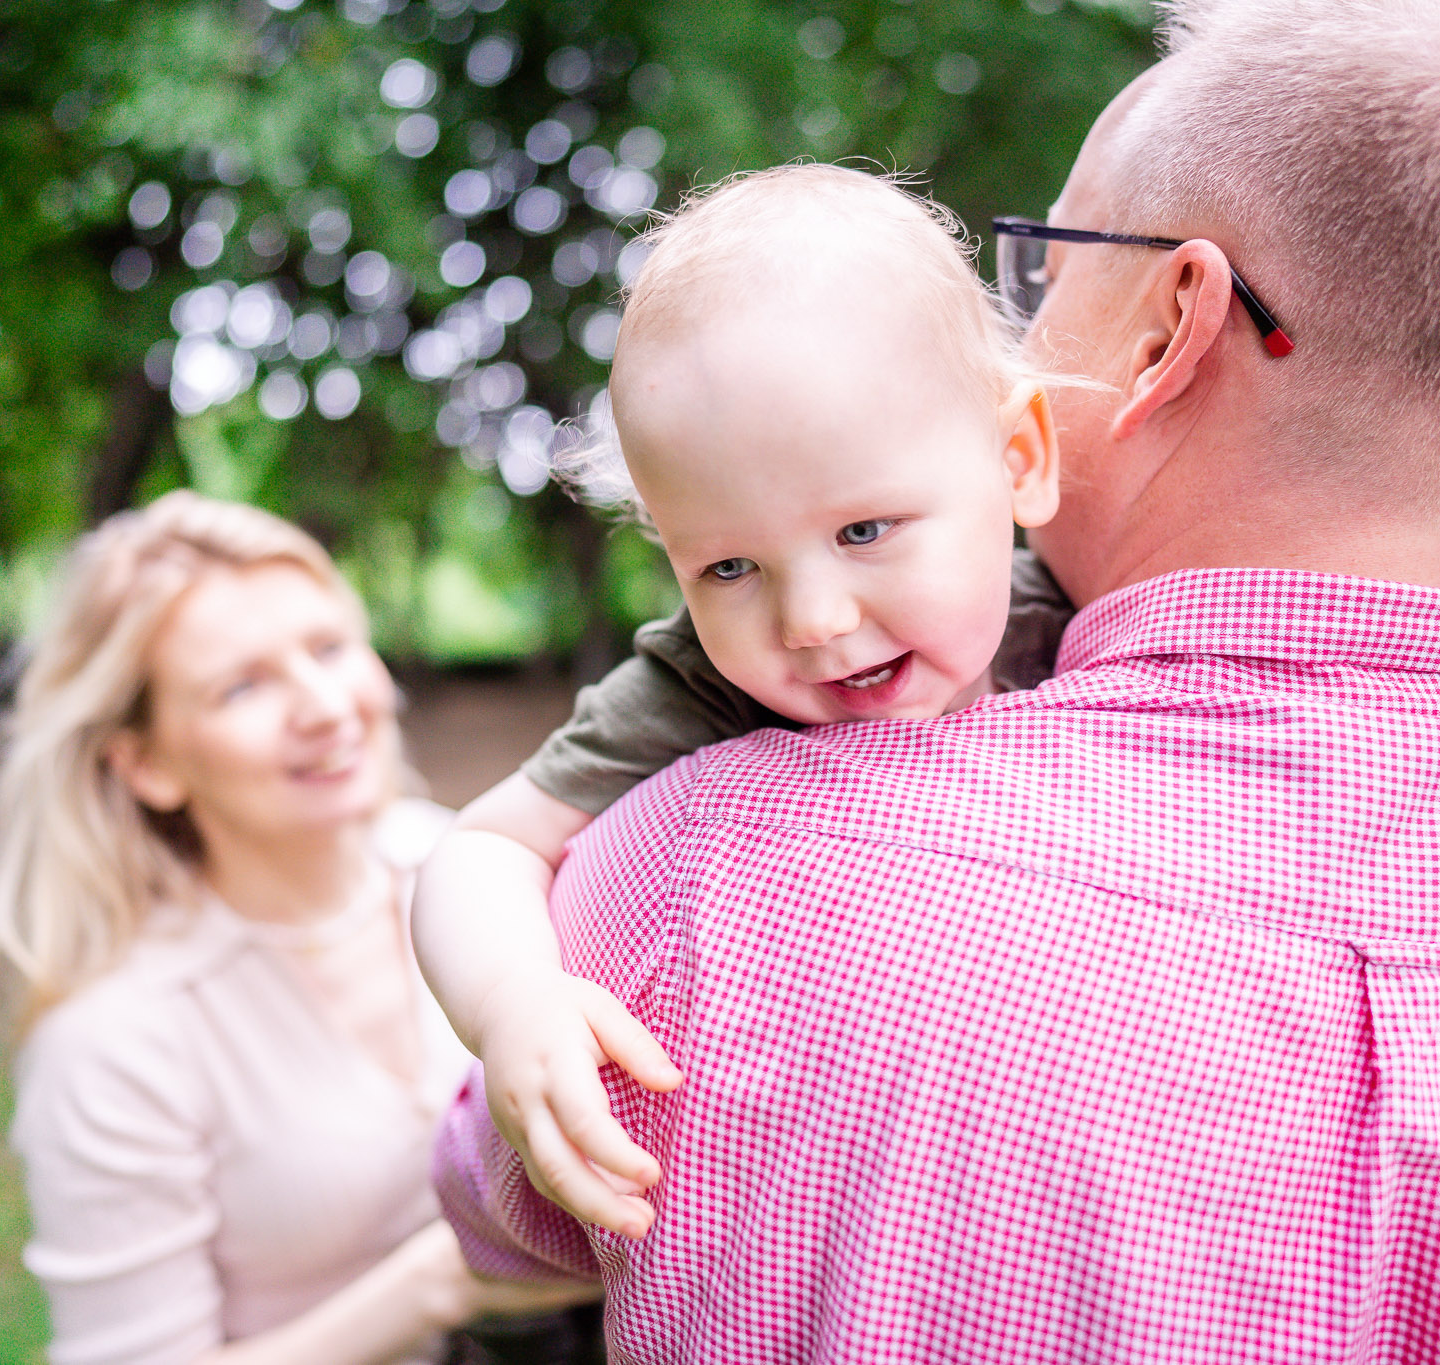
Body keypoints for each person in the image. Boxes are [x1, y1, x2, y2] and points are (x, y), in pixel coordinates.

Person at [431, 1, 1440, 1361]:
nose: (814, 619)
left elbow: (497, 1203)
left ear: (1168, 327)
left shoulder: (705, 865)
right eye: (729, 564)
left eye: (1045, 269)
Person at [409, 163, 1074, 1241]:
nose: (810, 618)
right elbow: (482, 847)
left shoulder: (1089, 629)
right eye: (727, 568)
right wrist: (510, 1001)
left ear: (1019, 460)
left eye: (863, 530)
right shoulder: (699, 687)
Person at [0, 491, 596, 1365]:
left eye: (329, 647)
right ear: (146, 764)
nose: (326, 706)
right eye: (242, 685)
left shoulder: (474, 866)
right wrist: (441, 1283)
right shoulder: (113, 1035)